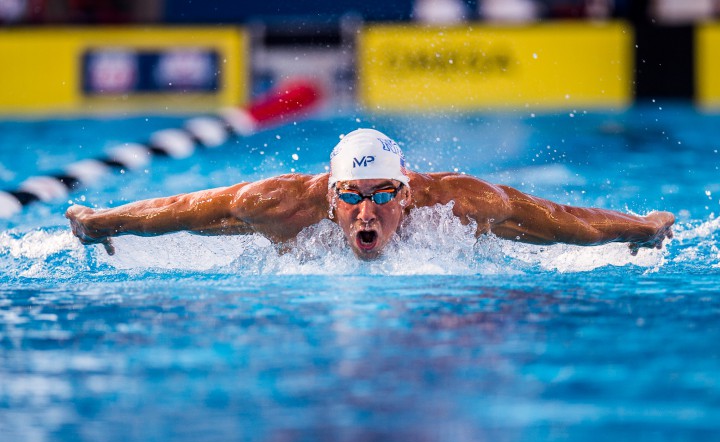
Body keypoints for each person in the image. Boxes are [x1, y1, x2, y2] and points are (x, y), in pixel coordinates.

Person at [66, 128, 674, 260]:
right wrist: (102, 222)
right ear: (331, 197)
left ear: (408, 196)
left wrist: (638, 228)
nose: (367, 209)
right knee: (227, 222)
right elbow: (180, 210)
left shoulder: (458, 203)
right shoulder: (284, 203)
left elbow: (561, 220)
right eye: (352, 196)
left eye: (385, 194)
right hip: (285, 224)